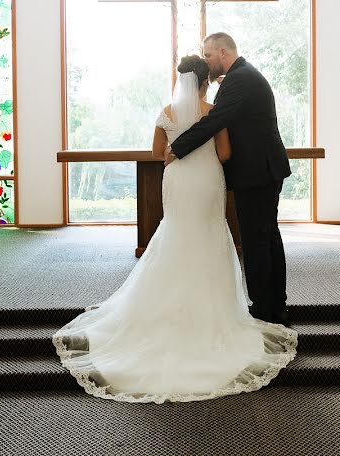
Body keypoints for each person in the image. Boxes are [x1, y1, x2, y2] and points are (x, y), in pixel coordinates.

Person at [52, 54, 297, 403]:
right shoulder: (213, 111)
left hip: (178, 180)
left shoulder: (166, 112)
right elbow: (225, 153)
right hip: (207, 179)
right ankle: (215, 312)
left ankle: (162, 308)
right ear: (204, 81)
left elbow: (157, 152)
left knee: (176, 233)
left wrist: (176, 150)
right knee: (209, 235)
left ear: (179, 79)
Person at [167, 33, 292, 326]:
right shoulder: (242, 76)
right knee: (267, 238)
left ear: (222, 52)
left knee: (257, 241)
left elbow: (215, 120)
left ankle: (264, 310)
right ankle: (276, 306)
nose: (206, 61)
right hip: (264, 170)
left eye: (208, 55)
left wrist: (178, 147)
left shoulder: (240, 79)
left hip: (257, 173)